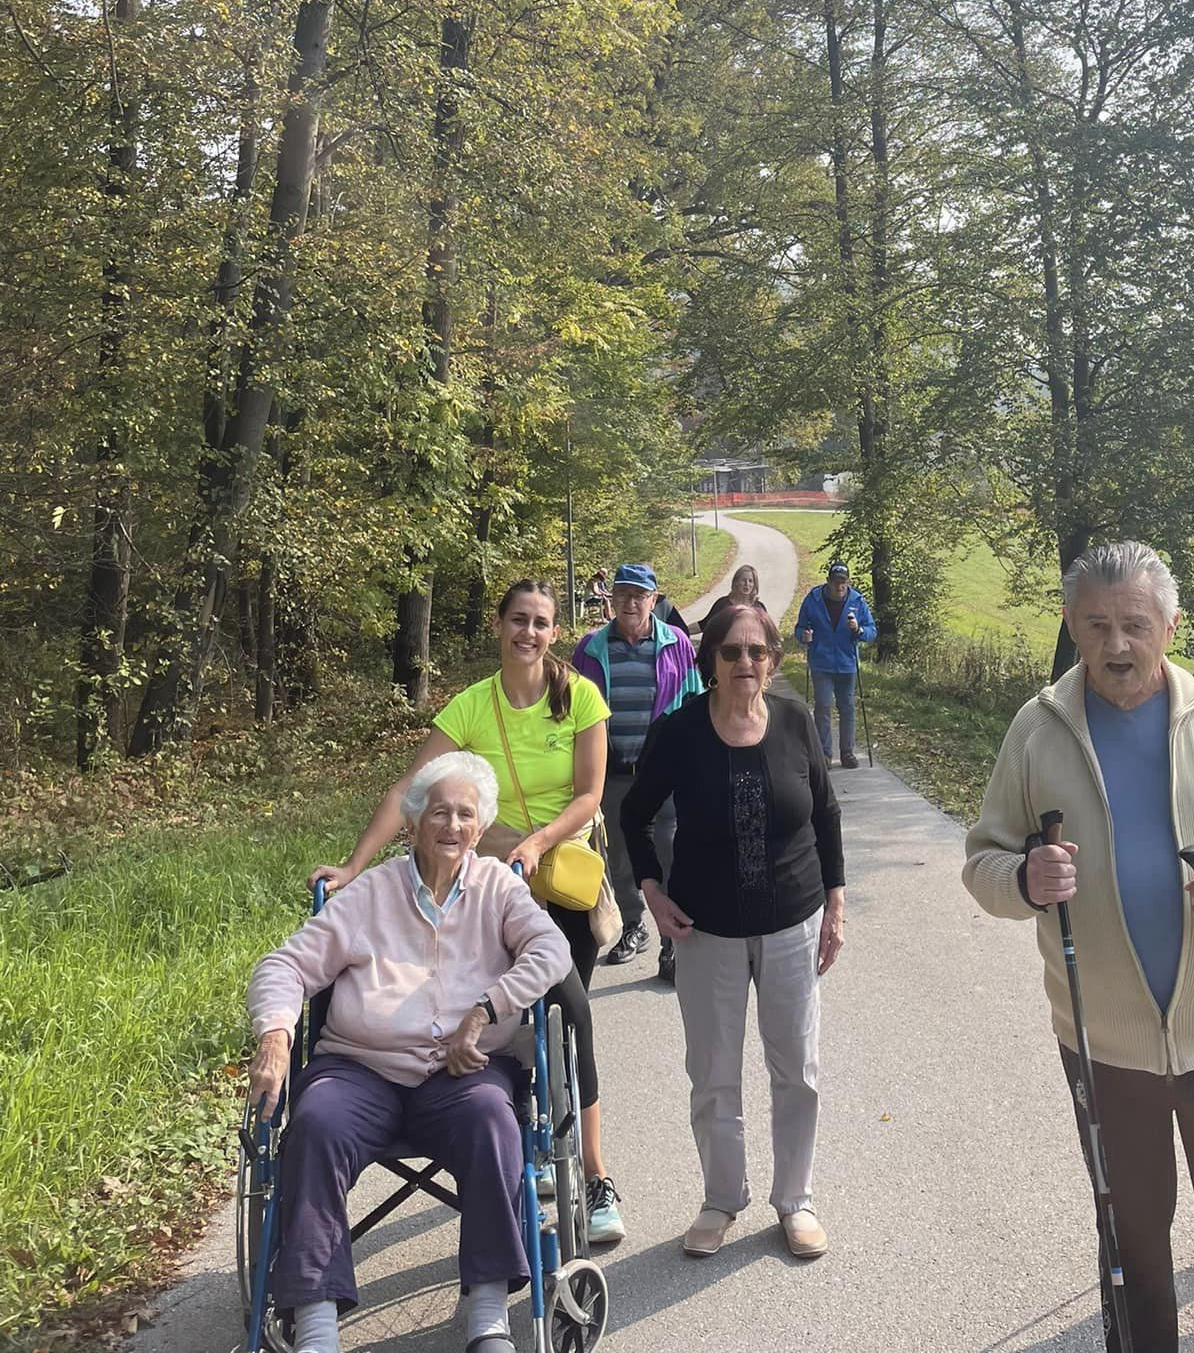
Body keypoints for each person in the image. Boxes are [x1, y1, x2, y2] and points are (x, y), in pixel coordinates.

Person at [962, 540, 1194, 1353]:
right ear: (1071, 623)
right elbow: (982, 861)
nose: (1117, 645)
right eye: (1097, 625)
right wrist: (1022, 878)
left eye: (1135, 624)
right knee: (1131, 1239)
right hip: (1105, 1042)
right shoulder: (1038, 728)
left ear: (1169, 625)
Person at [310, 579, 627, 1244]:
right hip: (487, 885)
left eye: (541, 623)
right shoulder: (472, 707)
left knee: (566, 1019)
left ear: (555, 632)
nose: (529, 633)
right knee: (501, 1022)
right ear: (498, 625)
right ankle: (514, 1142)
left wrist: (539, 842)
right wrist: (355, 866)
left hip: (561, 878)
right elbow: (411, 791)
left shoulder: (580, 698)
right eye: (519, 620)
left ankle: (595, 1176)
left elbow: (591, 793)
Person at [248, 751, 572, 1353]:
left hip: (462, 1071)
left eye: (465, 816)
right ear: (414, 822)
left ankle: (488, 1317)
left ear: (480, 827)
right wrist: (275, 1034)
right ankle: (315, 1325)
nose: (452, 827)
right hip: (360, 1070)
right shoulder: (371, 894)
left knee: (492, 1121)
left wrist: (485, 1009)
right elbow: (285, 965)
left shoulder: (498, 887)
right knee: (314, 1124)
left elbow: (550, 953)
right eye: (439, 813)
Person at [621, 603, 846, 1262]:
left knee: (796, 1071)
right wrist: (652, 892)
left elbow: (827, 813)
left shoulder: (797, 721)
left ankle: (795, 1201)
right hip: (705, 933)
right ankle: (722, 1199)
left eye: (758, 651)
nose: (746, 663)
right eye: (732, 652)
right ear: (709, 662)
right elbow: (633, 817)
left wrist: (836, 902)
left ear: (773, 659)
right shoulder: (680, 733)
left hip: (793, 925)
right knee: (714, 1074)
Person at [572, 561, 701, 981]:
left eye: (638, 595)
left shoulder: (675, 644)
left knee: (669, 854)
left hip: (662, 774)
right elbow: (572, 710)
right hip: (609, 771)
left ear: (653, 599)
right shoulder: (590, 648)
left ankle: (672, 945)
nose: (630, 602)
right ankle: (633, 925)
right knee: (618, 855)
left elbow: (695, 700)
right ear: (611, 598)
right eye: (622, 593)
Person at [795, 559, 875, 768]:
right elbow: (799, 628)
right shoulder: (813, 599)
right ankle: (824, 754)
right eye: (836, 582)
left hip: (847, 663)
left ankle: (847, 752)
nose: (840, 586)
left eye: (843, 582)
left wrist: (859, 630)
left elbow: (871, 631)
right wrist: (804, 636)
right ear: (828, 581)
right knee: (823, 706)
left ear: (848, 582)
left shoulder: (857, 601)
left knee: (847, 707)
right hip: (821, 662)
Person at [701, 563, 767, 630]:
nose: (747, 584)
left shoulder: (759, 607)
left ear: (754, 585)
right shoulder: (722, 604)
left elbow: (768, 632)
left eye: (750, 581)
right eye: (743, 580)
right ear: (736, 582)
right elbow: (703, 625)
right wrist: (689, 631)